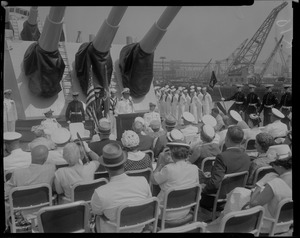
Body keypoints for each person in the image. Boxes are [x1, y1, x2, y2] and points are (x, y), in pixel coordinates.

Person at [207, 145, 292, 234]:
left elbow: (253, 203)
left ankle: (224, 225)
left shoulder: (276, 183)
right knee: (239, 193)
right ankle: (221, 222)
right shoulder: (279, 180)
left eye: (273, 165)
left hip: (268, 225)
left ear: (280, 166)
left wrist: (260, 184)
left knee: (237, 194)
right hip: (285, 224)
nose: (272, 167)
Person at [91, 143, 152, 233]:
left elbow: (97, 212)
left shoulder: (100, 193)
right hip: (138, 229)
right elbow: (148, 204)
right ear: (124, 163)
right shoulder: (143, 181)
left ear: (106, 167)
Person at [200, 126, 251, 209]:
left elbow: (214, 185)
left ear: (227, 139)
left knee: (194, 191)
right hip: (236, 196)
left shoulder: (222, 156)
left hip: (218, 200)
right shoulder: (246, 157)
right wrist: (213, 173)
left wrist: (202, 188)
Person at [152, 140, 199, 221]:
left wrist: (160, 166)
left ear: (172, 154)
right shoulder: (194, 168)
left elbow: (153, 181)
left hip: (165, 212)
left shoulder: (168, 169)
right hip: (185, 210)